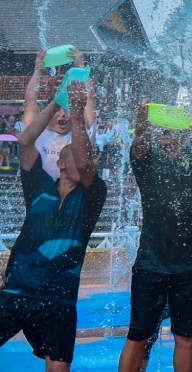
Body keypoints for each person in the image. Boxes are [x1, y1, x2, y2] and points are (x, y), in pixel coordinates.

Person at [0, 79, 106, 371]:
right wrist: (57, 102)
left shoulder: (93, 195)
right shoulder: (38, 185)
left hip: (59, 300)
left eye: (89, 157)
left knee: (58, 367)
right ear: (60, 163)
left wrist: (76, 115)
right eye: (76, 154)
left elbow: (84, 165)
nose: (87, 160)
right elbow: (25, 141)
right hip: (17, 291)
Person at [118, 101, 192, 372]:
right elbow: (139, 145)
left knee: (185, 336)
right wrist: (142, 117)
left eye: (172, 126)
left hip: (190, 264)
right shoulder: (147, 162)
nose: (166, 131)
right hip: (151, 262)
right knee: (137, 335)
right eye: (161, 127)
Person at [22, 49, 97, 181]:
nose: (62, 114)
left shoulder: (82, 133)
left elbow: (89, 99)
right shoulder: (37, 133)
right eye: (57, 110)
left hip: (74, 191)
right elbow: (30, 101)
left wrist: (81, 67)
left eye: (66, 110)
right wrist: (38, 70)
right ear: (48, 113)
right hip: (42, 190)